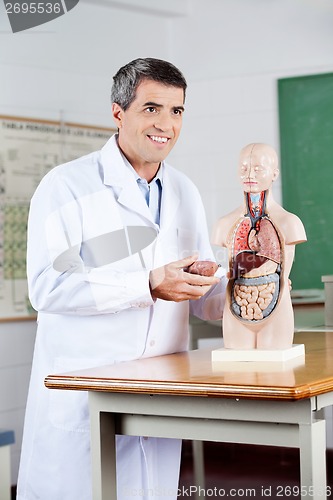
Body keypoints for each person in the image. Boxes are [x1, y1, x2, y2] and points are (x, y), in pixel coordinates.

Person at [17, 58, 227, 500]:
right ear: (118, 112)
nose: (166, 125)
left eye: (176, 111)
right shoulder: (67, 187)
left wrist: (244, 283)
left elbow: (201, 299)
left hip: (156, 399)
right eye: (151, 108)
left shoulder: (185, 190)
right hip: (86, 398)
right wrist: (147, 285)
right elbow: (47, 287)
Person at [211, 143, 306, 350]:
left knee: (275, 377)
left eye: (258, 168)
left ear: (274, 174)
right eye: (244, 169)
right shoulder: (224, 224)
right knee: (238, 374)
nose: (249, 175)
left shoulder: (290, 223)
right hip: (237, 304)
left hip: (276, 303)